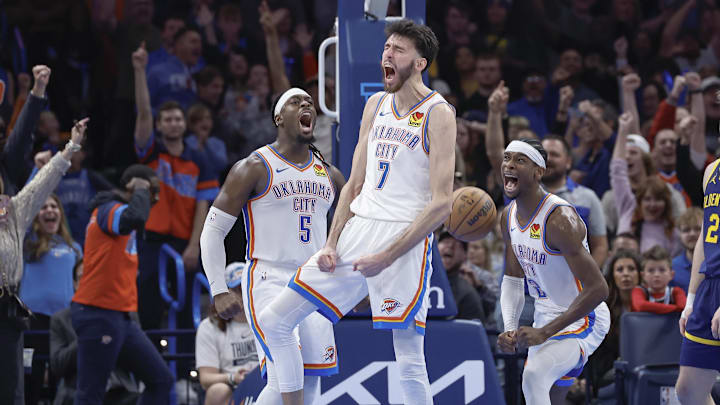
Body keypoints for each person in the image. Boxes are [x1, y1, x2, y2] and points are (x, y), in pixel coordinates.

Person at [224, 19, 456, 405]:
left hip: (404, 238)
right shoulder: (375, 104)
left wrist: (386, 256)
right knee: (276, 320)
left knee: (409, 357)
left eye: (398, 50)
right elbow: (353, 184)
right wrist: (331, 243)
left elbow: (442, 203)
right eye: (387, 48)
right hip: (359, 228)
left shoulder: (438, 113)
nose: (387, 54)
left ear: (420, 63)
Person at [200, 87, 345, 404]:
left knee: (309, 382)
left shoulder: (329, 175)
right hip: (269, 277)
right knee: (284, 371)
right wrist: (219, 288)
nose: (306, 104)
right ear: (279, 118)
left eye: (309, 102)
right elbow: (212, 232)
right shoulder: (254, 166)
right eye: (296, 101)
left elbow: (352, 229)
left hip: (314, 281)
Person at [497, 138, 610, 405]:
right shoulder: (508, 216)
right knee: (551, 397)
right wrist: (511, 328)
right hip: (544, 313)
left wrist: (545, 332)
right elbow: (513, 279)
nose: (509, 165)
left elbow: (599, 289)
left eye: (520, 160)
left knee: (534, 377)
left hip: (584, 317)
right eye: (506, 158)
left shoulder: (559, 219)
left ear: (539, 172)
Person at [70, 164, 174, 405]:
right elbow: (134, 217)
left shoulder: (120, 212)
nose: (155, 197)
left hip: (122, 317)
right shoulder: (109, 209)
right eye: (152, 190)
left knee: (161, 380)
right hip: (97, 311)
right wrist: (140, 190)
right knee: (90, 394)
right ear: (133, 186)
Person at [0, 118, 87, 404]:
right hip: (27, 316)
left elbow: (42, 183)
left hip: (11, 314)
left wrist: (71, 147)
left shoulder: (14, 213)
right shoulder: (30, 238)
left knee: (15, 391)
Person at [19, 194, 82, 405]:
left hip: (64, 321)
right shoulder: (27, 245)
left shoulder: (74, 248)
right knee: (31, 374)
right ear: (36, 216)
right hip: (32, 320)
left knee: (62, 373)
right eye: (43, 207)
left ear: (61, 214)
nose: (50, 210)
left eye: (54, 206)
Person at [675, 156, 720, 404]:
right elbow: (706, 233)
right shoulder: (712, 170)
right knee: (688, 390)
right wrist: (690, 300)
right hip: (710, 286)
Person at [195, 263, 259, 405]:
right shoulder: (209, 326)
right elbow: (205, 378)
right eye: (237, 289)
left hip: (266, 380)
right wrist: (232, 377)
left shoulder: (267, 317)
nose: (243, 293)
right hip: (233, 386)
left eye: (246, 286)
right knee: (217, 391)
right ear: (225, 293)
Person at [50, 307, 141, 405]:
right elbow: (58, 365)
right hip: (77, 390)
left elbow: (140, 361)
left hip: (120, 389)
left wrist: (114, 334)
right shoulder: (61, 318)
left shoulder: (126, 315)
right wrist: (87, 335)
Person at [541, 135, 608, 266]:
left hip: (572, 282)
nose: (548, 159)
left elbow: (600, 246)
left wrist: (585, 281)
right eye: (543, 154)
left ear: (568, 162)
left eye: (555, 155)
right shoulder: (523, 194)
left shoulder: (588, 198)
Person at [586, 249, 641, 394]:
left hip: (642, 366)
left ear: (640, 274)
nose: (626, 274)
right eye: (620, 270)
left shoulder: (650, 304)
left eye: (631, 269)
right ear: (612, 276)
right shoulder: (604, 308)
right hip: (611, 369)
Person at [437, 231, 487, 321]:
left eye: (458, 244)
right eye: (446, 241)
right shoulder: (417, 282)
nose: (450, 246)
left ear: (465, 256)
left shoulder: (468, 294)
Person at [631, 245, 687, 314]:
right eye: (651, 270)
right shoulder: (638, 290)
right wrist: (675, 308)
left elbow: (682, 307)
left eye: (662, 270)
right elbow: (641, 305)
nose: (656, 275)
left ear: (671, 275)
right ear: (643, 275)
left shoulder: (676, 292)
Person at [672, 207, 703, 294]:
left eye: (697, 229)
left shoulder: (715, 264)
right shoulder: (672, 267)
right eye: (686, 230)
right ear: (679, 234)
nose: (692, 234)